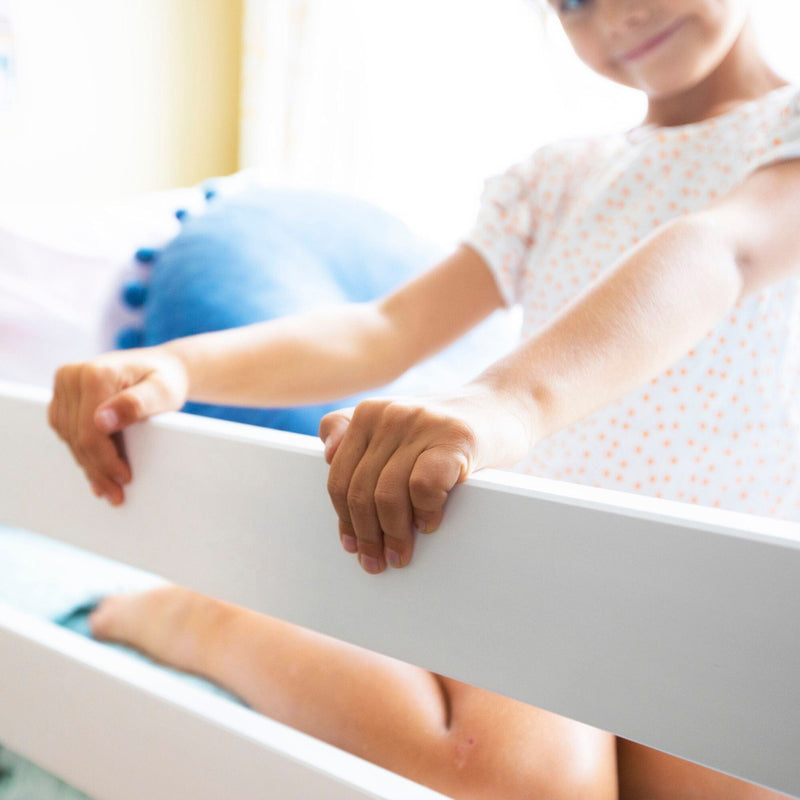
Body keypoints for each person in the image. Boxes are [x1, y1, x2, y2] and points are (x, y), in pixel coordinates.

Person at [49, 0, 800, 798]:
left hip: (721, 596)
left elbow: (723, 248)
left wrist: (507, 400)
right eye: (575, 1)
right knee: (530, 780)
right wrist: (177, 365)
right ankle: (197, 615)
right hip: (544, 565)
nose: (618, 15)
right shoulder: (558, 179)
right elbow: (386, 328)